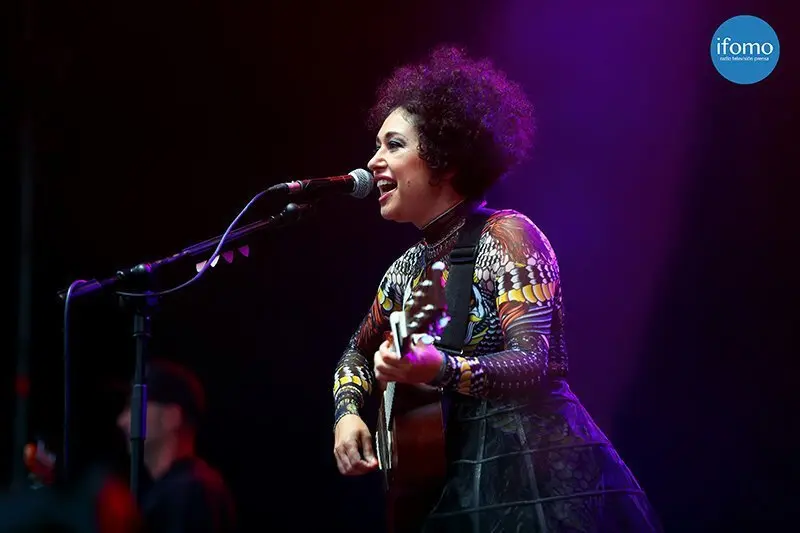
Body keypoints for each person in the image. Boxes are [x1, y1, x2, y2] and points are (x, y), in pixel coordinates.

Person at [331, 45, 662, 532]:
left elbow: (532, 360)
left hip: (542, 485)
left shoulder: (507, 236)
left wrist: (440, 367)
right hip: (453, 491)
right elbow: (355, 355)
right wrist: (347, 415)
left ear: (444, 160)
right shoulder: (403, 272)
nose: (373, 160)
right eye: (377, 145)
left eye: (393, 145)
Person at [116, 359, 236, 533]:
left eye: (133, 406)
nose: (122, 421)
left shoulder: (190, 492)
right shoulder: (173, 491)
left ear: (171, 416)